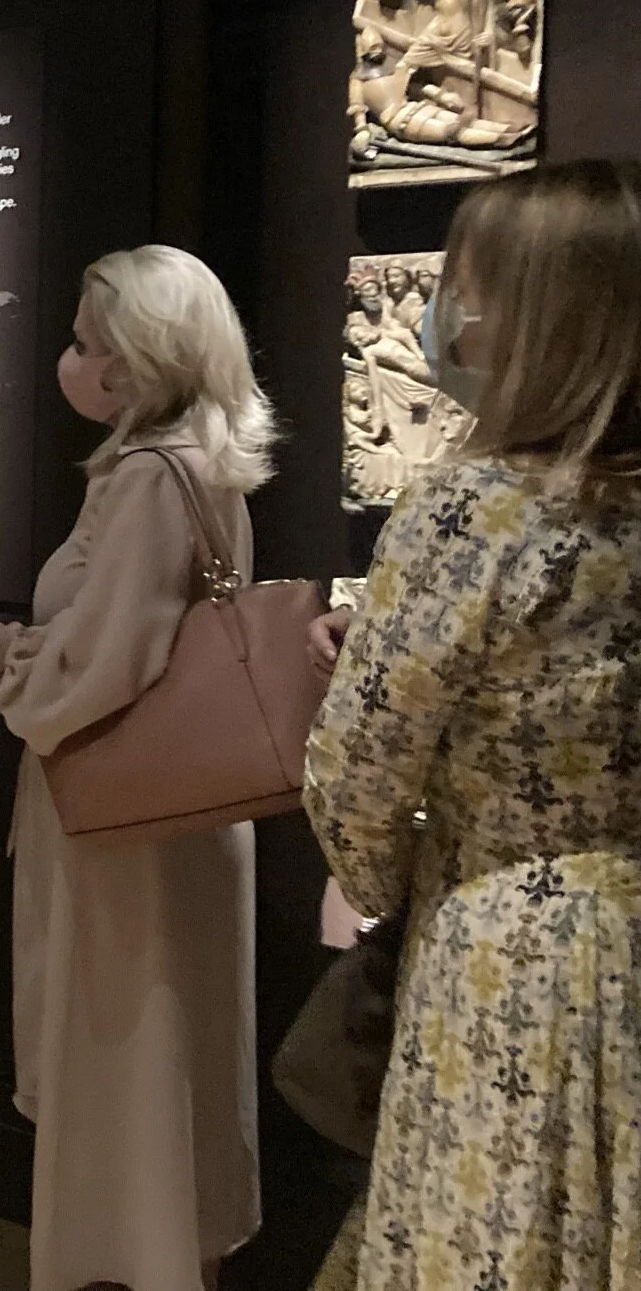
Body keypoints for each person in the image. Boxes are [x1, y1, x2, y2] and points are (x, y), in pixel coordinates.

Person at [304, 158, 641, 1290]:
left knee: (493, 1239)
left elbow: (355, 785)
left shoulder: (467, 511)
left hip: (507, 957)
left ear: (542, 318)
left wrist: (399, 888)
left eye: (469, 286)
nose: (448, 311)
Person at [0, 245, 273, 1291]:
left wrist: (8, 663)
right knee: (173, 1063)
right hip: (178, 811)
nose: (73, 359)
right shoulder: (201, 463)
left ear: (136, 358)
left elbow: (109, 661)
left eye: (87, 342)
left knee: (128, 1053)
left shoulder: (147, 477)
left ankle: (130, 1266)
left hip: (125, 825)